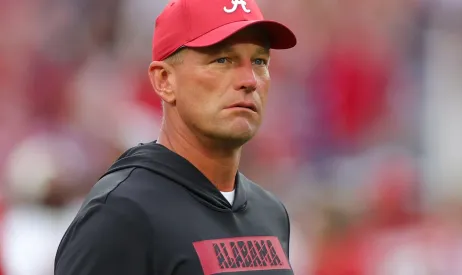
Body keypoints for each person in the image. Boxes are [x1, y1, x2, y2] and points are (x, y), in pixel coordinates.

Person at [54, 0, 297, 274]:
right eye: (222, 60)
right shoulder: (121, 214)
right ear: (164, 81)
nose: (249, 80)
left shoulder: (271, 213)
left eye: (259, 61)